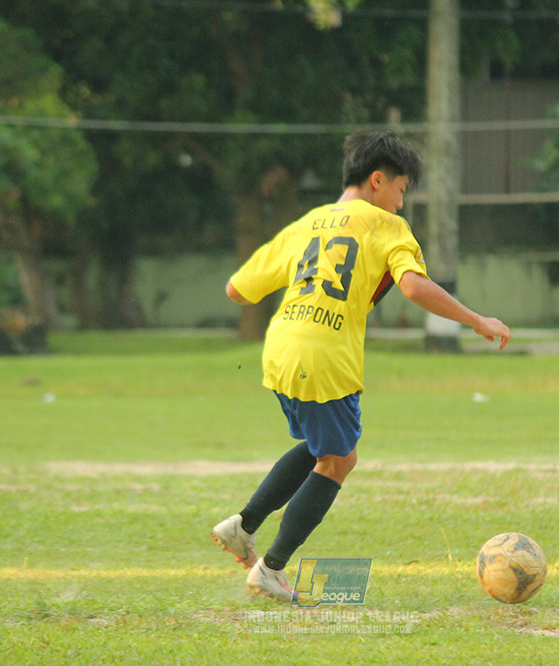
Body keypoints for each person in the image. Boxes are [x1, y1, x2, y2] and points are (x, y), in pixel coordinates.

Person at [211, 130, 512, 601]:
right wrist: (475, 319)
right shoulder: (387, 227)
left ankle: (243, 526)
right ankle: (269, 567)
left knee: (320, 450)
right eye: (401, 191)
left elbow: (236, 289)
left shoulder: (308, 223)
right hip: (325, 354)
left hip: (282, 348)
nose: (400, 204)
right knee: (338, 460)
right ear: (377, 181)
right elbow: (413, 287)